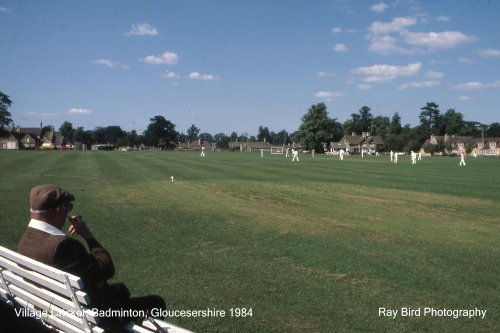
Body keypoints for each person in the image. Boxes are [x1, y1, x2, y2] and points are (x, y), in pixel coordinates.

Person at [18, 184, 166, 331]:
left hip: (54, 311)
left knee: (119, 290)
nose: (68, 212)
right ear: (58, 210)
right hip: (93, 318)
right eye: (67, 207)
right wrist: (87, 235)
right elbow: (106, 268)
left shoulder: (24, 241)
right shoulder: (63, 246)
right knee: (156, 303)